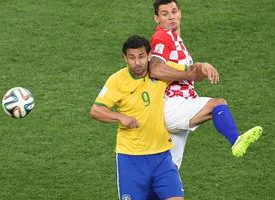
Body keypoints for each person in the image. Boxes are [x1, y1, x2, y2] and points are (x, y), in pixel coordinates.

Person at [149, 0, 262, 169]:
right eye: (165, 14)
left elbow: (190, 74)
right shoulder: (162, 36)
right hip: (171, 105)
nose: (171, 17)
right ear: (157, 19)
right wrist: (189, 72)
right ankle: (235, 140)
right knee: (217, 104)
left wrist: (202, 68)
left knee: (168, 172)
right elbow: (155, 69)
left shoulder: (177, 41)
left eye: (174, 11)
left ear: (180, 12)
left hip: (178, 107)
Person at [90, 35, 192, 200]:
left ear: (149, 55)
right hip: (131, 159)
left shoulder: (159, 71)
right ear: (125, 58)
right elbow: (96, 110)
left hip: (162, 156)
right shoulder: (117, 80)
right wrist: (119, 117)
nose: (137, 62)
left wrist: (203, 67)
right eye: (132, 57)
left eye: (141, 57)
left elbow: (189, 70)